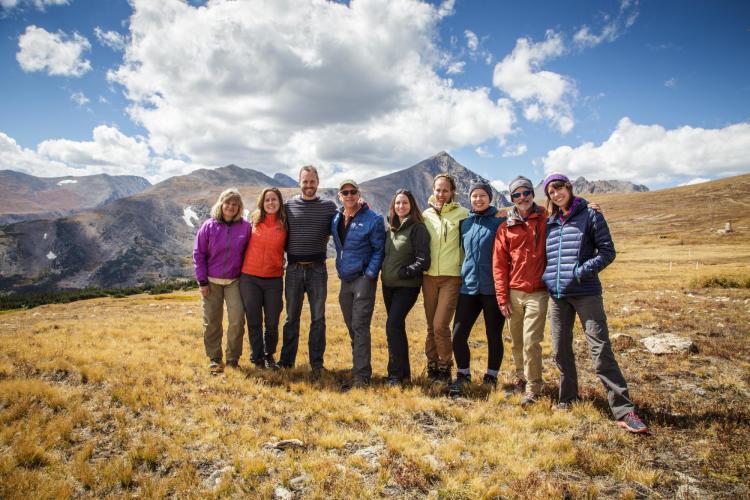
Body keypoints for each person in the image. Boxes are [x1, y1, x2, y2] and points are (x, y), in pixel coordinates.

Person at [542, 173, 648, 433]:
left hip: (586, 292)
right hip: (557, 296)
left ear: (569, 188)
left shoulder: (590, 214)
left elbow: (607, 252)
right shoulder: (551, 222)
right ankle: (567, 399)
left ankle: (623, 410)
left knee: (600, 348)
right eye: (551, 192)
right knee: (560, 350)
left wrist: (580, 272)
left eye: (560, 189)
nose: (556, 194)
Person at [493, 176, 549, 406]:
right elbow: (499, 264)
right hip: (514, 292)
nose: (522, 197)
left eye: (526, 192)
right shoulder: (505, 227)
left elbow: (569, 209)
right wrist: (502, 297)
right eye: (517, 194)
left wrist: (586, 205)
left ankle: (533, 387)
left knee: (530, 341)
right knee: (516, 341)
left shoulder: (547, 218)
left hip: (539, 291)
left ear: (532, 194)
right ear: (512, 198)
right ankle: (520, 377)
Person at [279, 166, 338, 377]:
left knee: (318, 319)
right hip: (293, 270)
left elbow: (345, 221)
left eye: (312, 182)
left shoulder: (329, 207)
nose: (309, 185)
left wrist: (361, 205)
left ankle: (317, 365)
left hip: (318, 270)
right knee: (291, 318)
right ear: (299, 182)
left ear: (318, 182)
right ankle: (286, 362)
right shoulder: (288, 206)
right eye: (305, 182)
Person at [448, 181, 506, 396]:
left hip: (493, 288)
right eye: (475, 196)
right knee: (458, 334)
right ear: (470, 199)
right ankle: (463, 375)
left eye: (482, 195)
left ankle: (491, 376)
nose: (478, 199)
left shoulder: (501, 221)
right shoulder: (465, 223)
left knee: (494, 335)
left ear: (489, 198)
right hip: (469, 287)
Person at [331, 180, 385, 389]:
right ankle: (359, 367)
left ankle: (361, 377)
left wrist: (370, 274)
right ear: (340, 195)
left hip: (363, 279)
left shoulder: (373, 219)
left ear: (358, 194)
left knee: (360, 326)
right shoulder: (336, 218)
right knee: (351, 325)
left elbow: (379, 249)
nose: (349, 195)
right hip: (346, 279)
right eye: (345, 192)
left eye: (353, 192)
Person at [193, 188, 251, 374]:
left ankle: (233, 358)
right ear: (221, 203)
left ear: (239, 207)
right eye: (227, 203)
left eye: (235, 204)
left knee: (236, 321)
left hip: (235, 281)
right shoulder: (208, 226)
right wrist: (202, 282)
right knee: (212, 321)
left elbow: (249, 252)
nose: (230, 207)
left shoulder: (245, 227)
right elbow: (198, 254)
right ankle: (214, 358)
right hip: (211, 281)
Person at [381, 189, 431, 387]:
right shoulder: (392, 228)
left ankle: (394, 375)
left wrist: (406, 272)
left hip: (406, 287)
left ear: (412, 205)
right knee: (396, 328)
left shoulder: (417, 228)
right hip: (388, 286)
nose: (401, 206)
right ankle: (404, 375)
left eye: (405, 203)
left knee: (392, 326)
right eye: (398, 203)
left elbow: (424, 260)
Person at [422, 174, 469, 383]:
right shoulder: (426, 215)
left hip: (452, 277)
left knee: (441, 324)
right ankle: (432, 366)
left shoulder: (463, 214)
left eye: (445, 190)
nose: (441, 194)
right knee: (431, 326)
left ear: (452, 193)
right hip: (429, 277)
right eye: (438, 190)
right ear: (433, 191)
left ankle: (445, 366)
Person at [240, 187, 287, 370]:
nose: (270, 203)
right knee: (253, 320)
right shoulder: (252, 220)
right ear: (262, 202)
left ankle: (269, 355)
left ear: (279, 202)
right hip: (250, 278)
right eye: (267, 200)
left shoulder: (285, 222)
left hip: (273, 279)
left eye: (274, 199)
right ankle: (257, 358)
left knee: (272, 322)